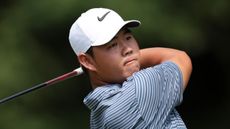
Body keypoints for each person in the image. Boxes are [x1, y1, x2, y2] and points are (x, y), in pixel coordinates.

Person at [68, 8, 192, 129]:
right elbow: (180, 58)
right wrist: (134, 58)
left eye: (128, 38)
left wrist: (127, 60)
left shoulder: (98, 114)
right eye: (113, 45)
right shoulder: (139, 91)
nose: (128, 49)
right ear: (87, 61)